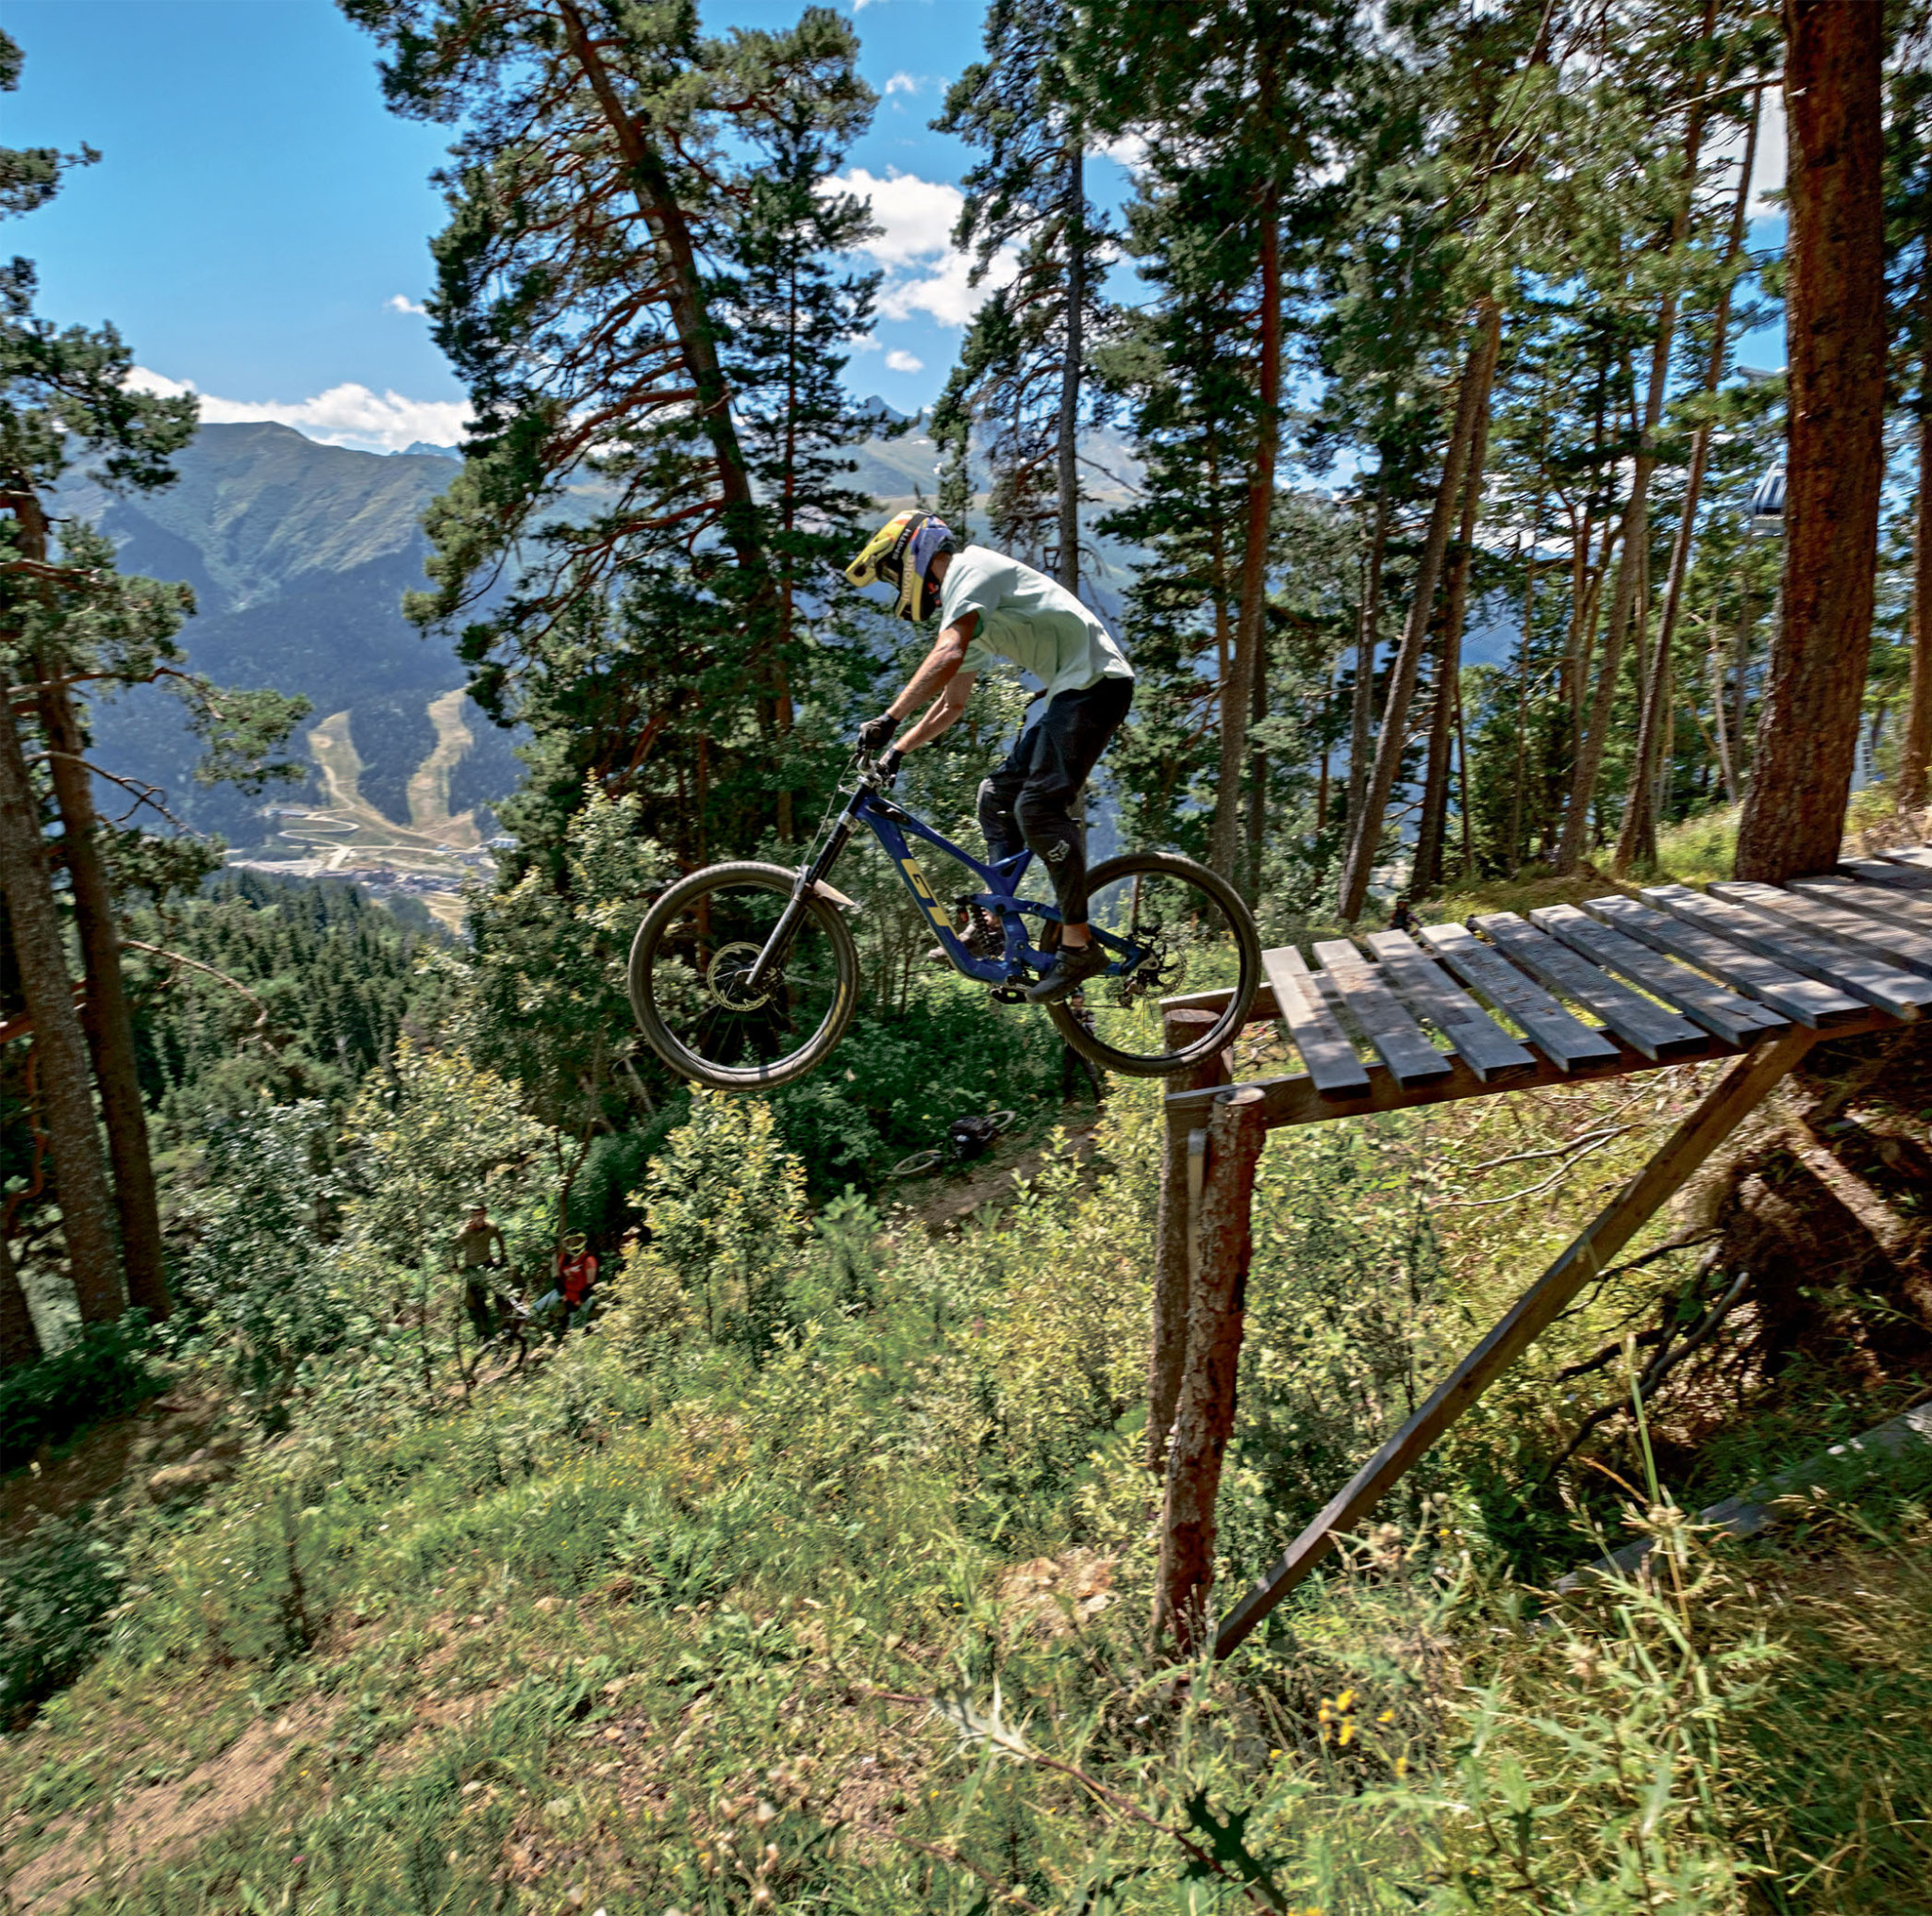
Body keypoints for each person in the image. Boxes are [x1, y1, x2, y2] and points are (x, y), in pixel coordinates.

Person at [844, 511, 1134, 1005]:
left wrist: (889, 717)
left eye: (893, 573)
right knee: (996, 797)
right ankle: (998, 925)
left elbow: (946, 654)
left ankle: (1079, 945)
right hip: (1073, 692)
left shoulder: (970, 570)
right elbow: (952, 704)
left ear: (913, 554)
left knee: (1037, 807)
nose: (896, 585)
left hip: (1096, 685)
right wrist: (898, 750)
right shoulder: (966, 605)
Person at [453, 1201, 508, 1342]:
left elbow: (500, 1240)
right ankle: (485, 1332)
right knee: (479, 1300)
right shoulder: (465, 1232)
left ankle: (505, 1323)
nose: (479, 1218)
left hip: (488, 1262)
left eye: (481, 1214)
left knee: (499, 1293)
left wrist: (503, 1257)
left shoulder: (491, 1227)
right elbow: (454, 1247)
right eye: (476, 1215)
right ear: (471, 1216)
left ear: (485, 1214)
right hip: (472, 1267)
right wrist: (456, 1266)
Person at [534, 1231, 599, 1338]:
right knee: (538, 1306)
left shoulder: (589, 1260)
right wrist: (565, 1297)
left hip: (583, 1296)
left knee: (575, 1325)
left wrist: (579, 1301)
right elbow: (558, 1281)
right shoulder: (564, 1259)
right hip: (566, 1293)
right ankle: (545, 1325)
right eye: (571, 1242)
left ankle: (575, 1334)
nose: (574, 1244)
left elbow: (590, 1286)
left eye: (577, 1241)